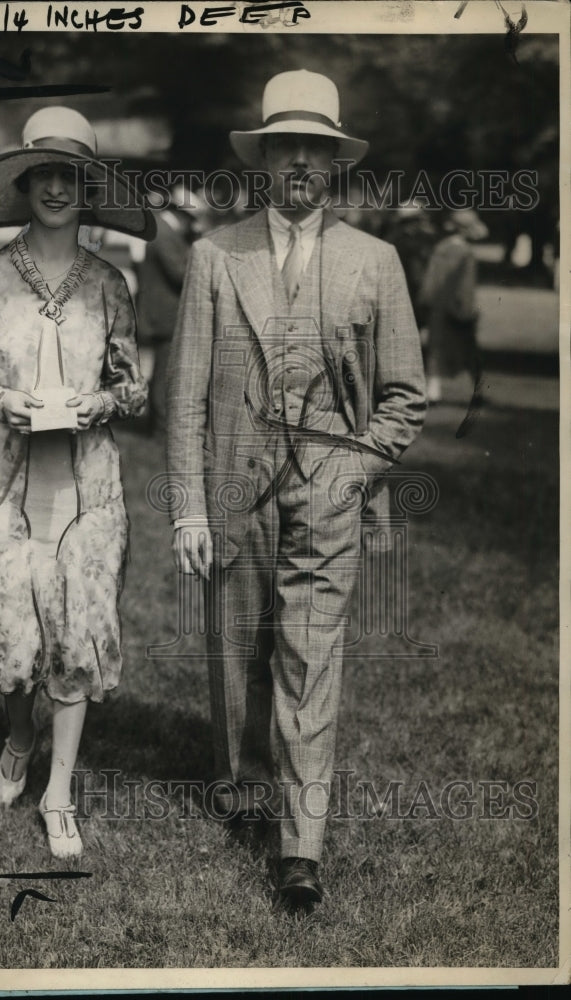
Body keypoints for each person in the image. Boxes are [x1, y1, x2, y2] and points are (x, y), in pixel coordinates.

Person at [166, 70, 426, 908]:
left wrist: (352, 468)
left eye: (317, 150)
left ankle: (299, 848)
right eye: (288, 149)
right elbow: (184, 396)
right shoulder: (215, 255)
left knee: (309, 658)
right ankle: (244, 788)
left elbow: (404, 396)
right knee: (239, 647)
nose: (302, 165)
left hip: (328, 488)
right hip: (235, 484)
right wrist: (190, 508)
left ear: (334, 163)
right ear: (264, 160)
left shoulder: (374, 262)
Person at [0, 107, 155, 860]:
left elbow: (133, 388)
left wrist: (100, 400)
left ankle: (60, 788)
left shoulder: (109, 283)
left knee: (76, 628)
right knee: (8, 624)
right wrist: (4, 400)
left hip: (87, 482)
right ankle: (20, 733)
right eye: (46, 175)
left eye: (73, 177)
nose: (58, 188)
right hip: (5, 477)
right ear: (26, 183)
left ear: (86, 189)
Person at [137, 185, 207, 434]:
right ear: (183, 215)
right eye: (191, 219)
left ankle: (157, 424)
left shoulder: (164, 230)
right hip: (164, 315)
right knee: (165, 372)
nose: (192, 224)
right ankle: (161, 427)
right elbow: (181, 273)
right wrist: (197, 244)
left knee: (162, 370)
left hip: (162, 314)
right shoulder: (165, 234)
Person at [419, 208, 488, 405]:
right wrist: (467, 309)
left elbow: (430, 280)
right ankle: (477, 390)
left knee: (436, 348)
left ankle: (433, 391)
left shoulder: (441, 248)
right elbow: (465, 285)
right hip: (457, 306)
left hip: (438, 305)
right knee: (468, 348)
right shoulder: (465, 253)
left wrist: (426, 302)